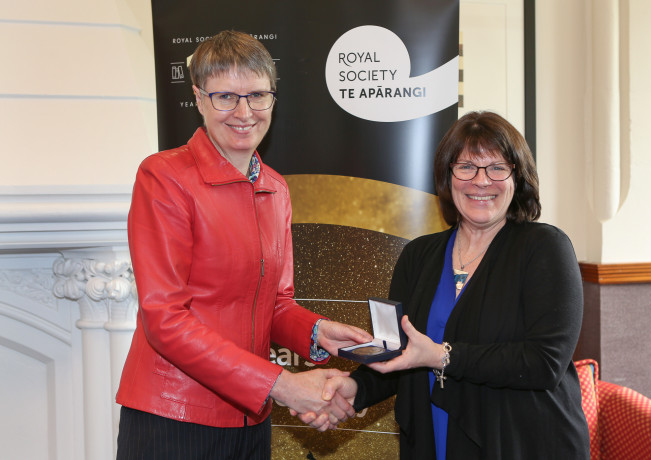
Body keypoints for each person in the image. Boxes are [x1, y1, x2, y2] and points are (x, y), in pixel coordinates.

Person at [115, 30, 372, 459]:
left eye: (257, 95)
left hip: (251, 417)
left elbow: (276, 304)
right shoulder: (164, 177)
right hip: (174, 416)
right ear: (199, 99)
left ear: (272, 99)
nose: (244, 112)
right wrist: (282, 385)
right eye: (225, 97)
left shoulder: (276, 188)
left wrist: (317, 331)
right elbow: (165, 319)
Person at [309, 111, 590, 459]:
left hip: (520, 442)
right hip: (431, 436)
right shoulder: (417, 255)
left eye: (497, 167)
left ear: (517, 178)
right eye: (466, 167)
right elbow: (400, 351)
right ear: (448, 176)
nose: (481, 181)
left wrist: (442, 356)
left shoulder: (545, 248)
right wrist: (354, 388)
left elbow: (544, 363)